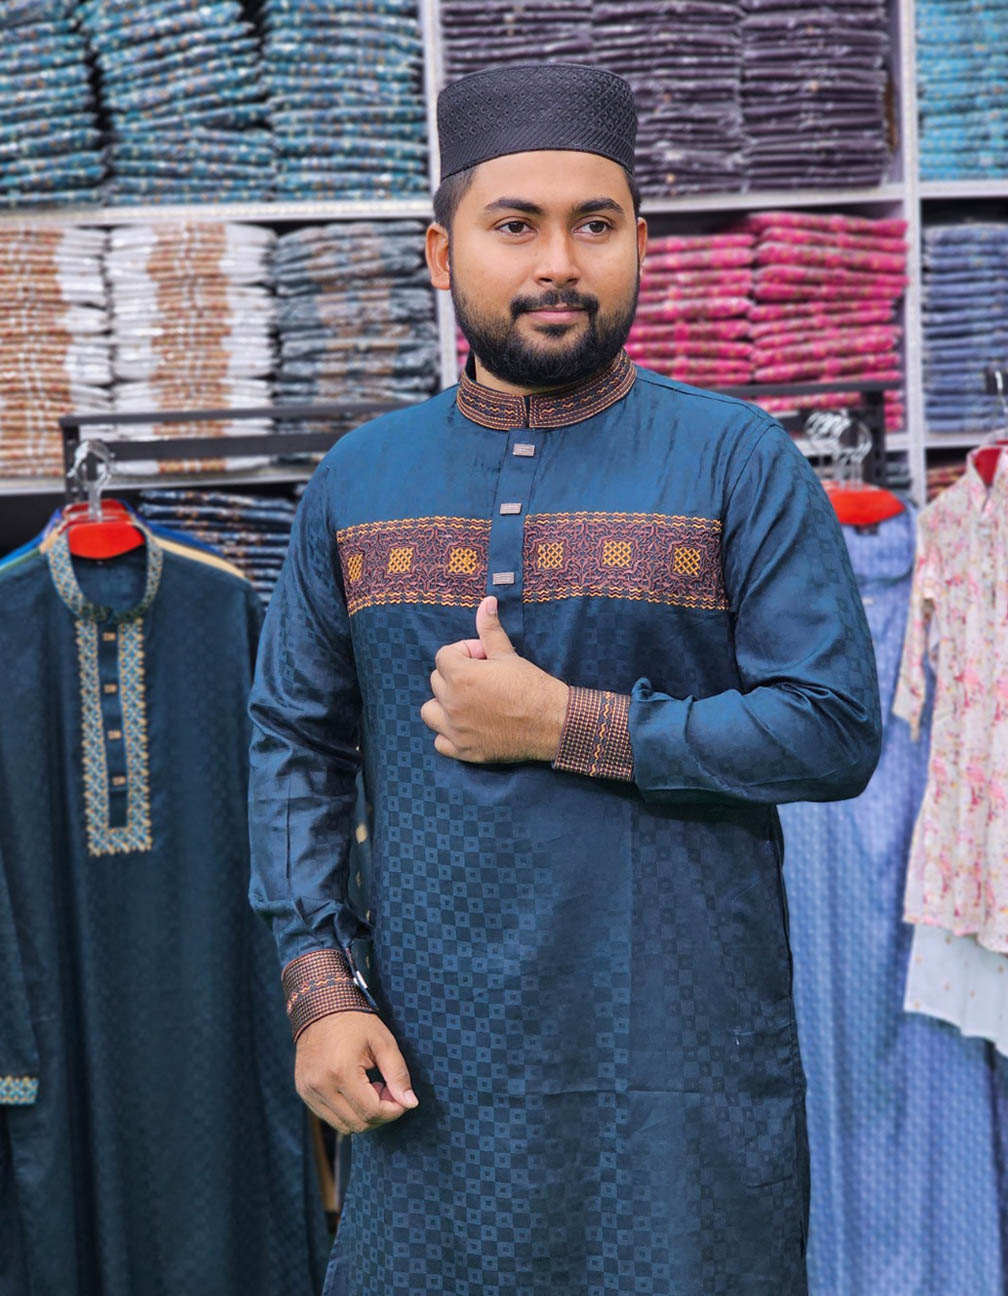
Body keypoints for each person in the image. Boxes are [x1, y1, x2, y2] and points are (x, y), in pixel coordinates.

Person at [248, 62, 882, 1296]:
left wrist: (565, 724)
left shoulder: (738, 461)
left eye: (595, 225)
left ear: (642, 241)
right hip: (429, 1068)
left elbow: (833, 728)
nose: (559, 264)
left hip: (680, 1069)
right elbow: (294, 744)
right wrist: (319, 992)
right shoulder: (358, 482)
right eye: (515, 226)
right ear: (443, 254)